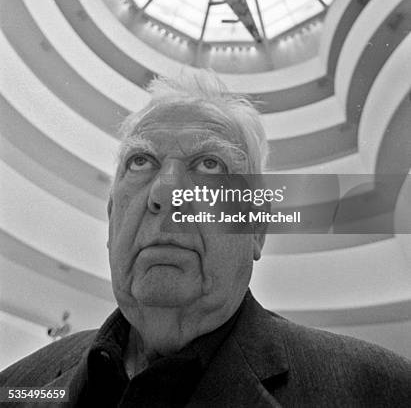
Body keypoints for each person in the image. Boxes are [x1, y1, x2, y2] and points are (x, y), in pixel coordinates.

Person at [1, 72, 410, 407]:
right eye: (141, 161)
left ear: (256, 229)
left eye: (209, 164)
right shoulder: (17, 387)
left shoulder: (379, 392)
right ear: (112, 219)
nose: (165, 193)